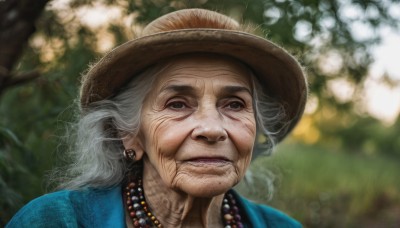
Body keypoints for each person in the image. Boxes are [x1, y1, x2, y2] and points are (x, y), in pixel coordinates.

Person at [7, 8, 307, 228]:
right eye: (177, 105)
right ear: (130, 133)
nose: (212, 129)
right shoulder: (57, 221)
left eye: (235, 105)